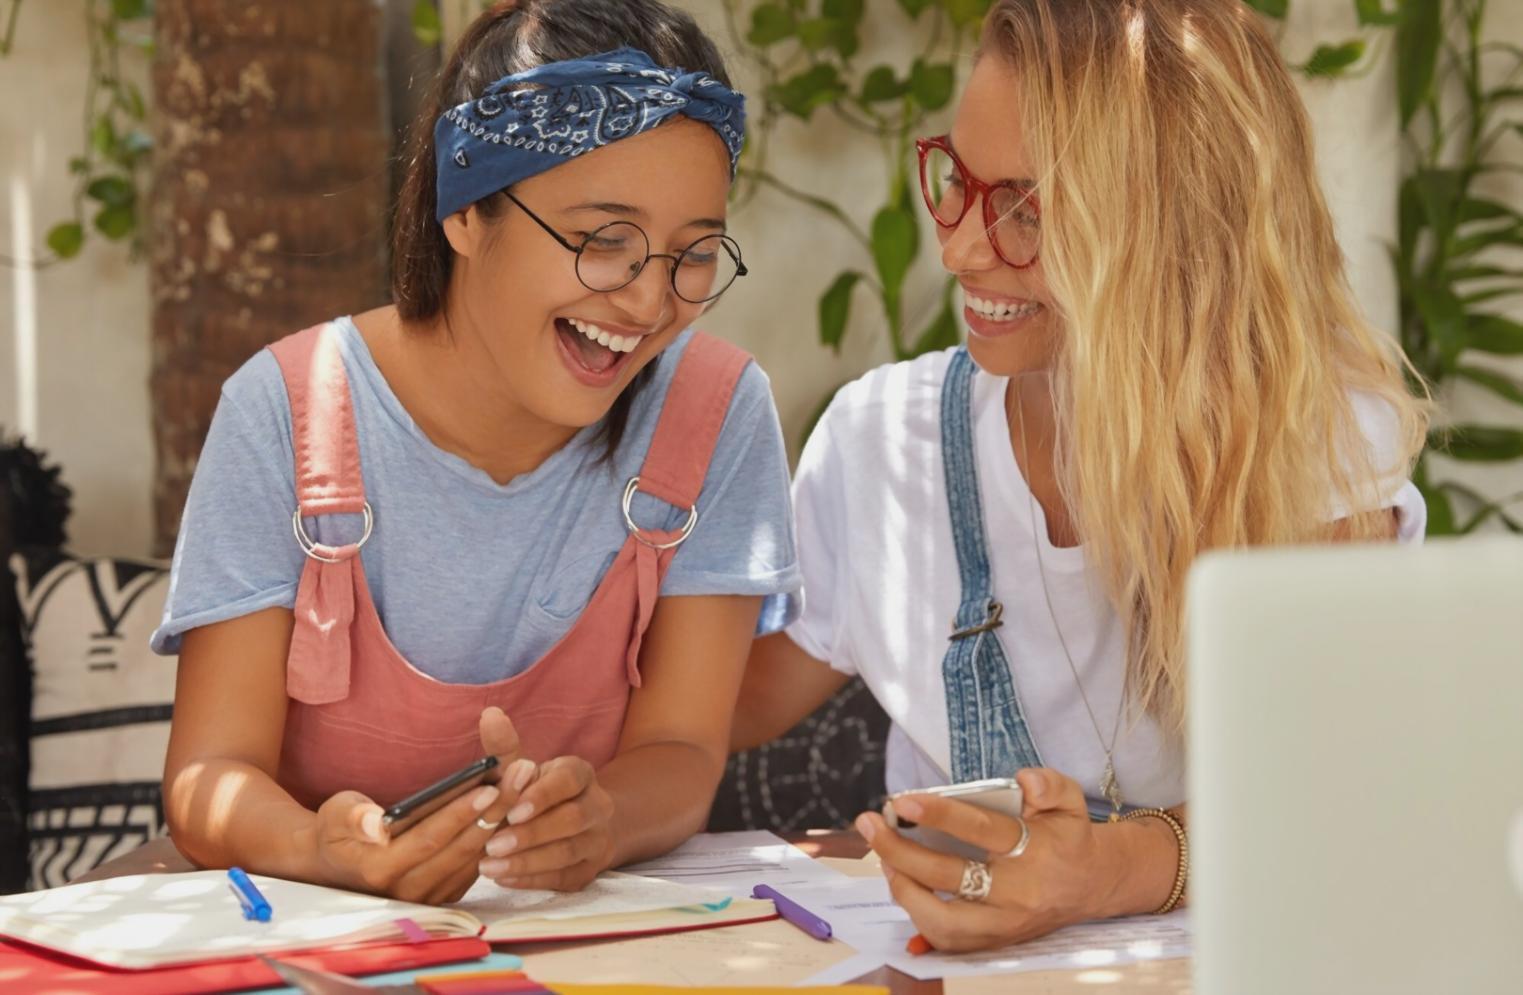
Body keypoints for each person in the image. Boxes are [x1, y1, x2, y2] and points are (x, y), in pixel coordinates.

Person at [732, 0, 1428, 952]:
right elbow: (712, 710)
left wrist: (1107, 871)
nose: (961, 246)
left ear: (1179, 229)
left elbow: (1334, 790)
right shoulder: (882, 439)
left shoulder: (1315, 446)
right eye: (959, 182)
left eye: (1026, 208)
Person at [154, 0, 798, 903]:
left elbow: (684, 751)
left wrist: (599, 818)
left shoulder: (715, 411)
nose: (650, 302)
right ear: (465, 212)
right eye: (603, 240)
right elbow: (207, 775)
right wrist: (321, 848)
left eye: (693, 253)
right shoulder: (288, 411)